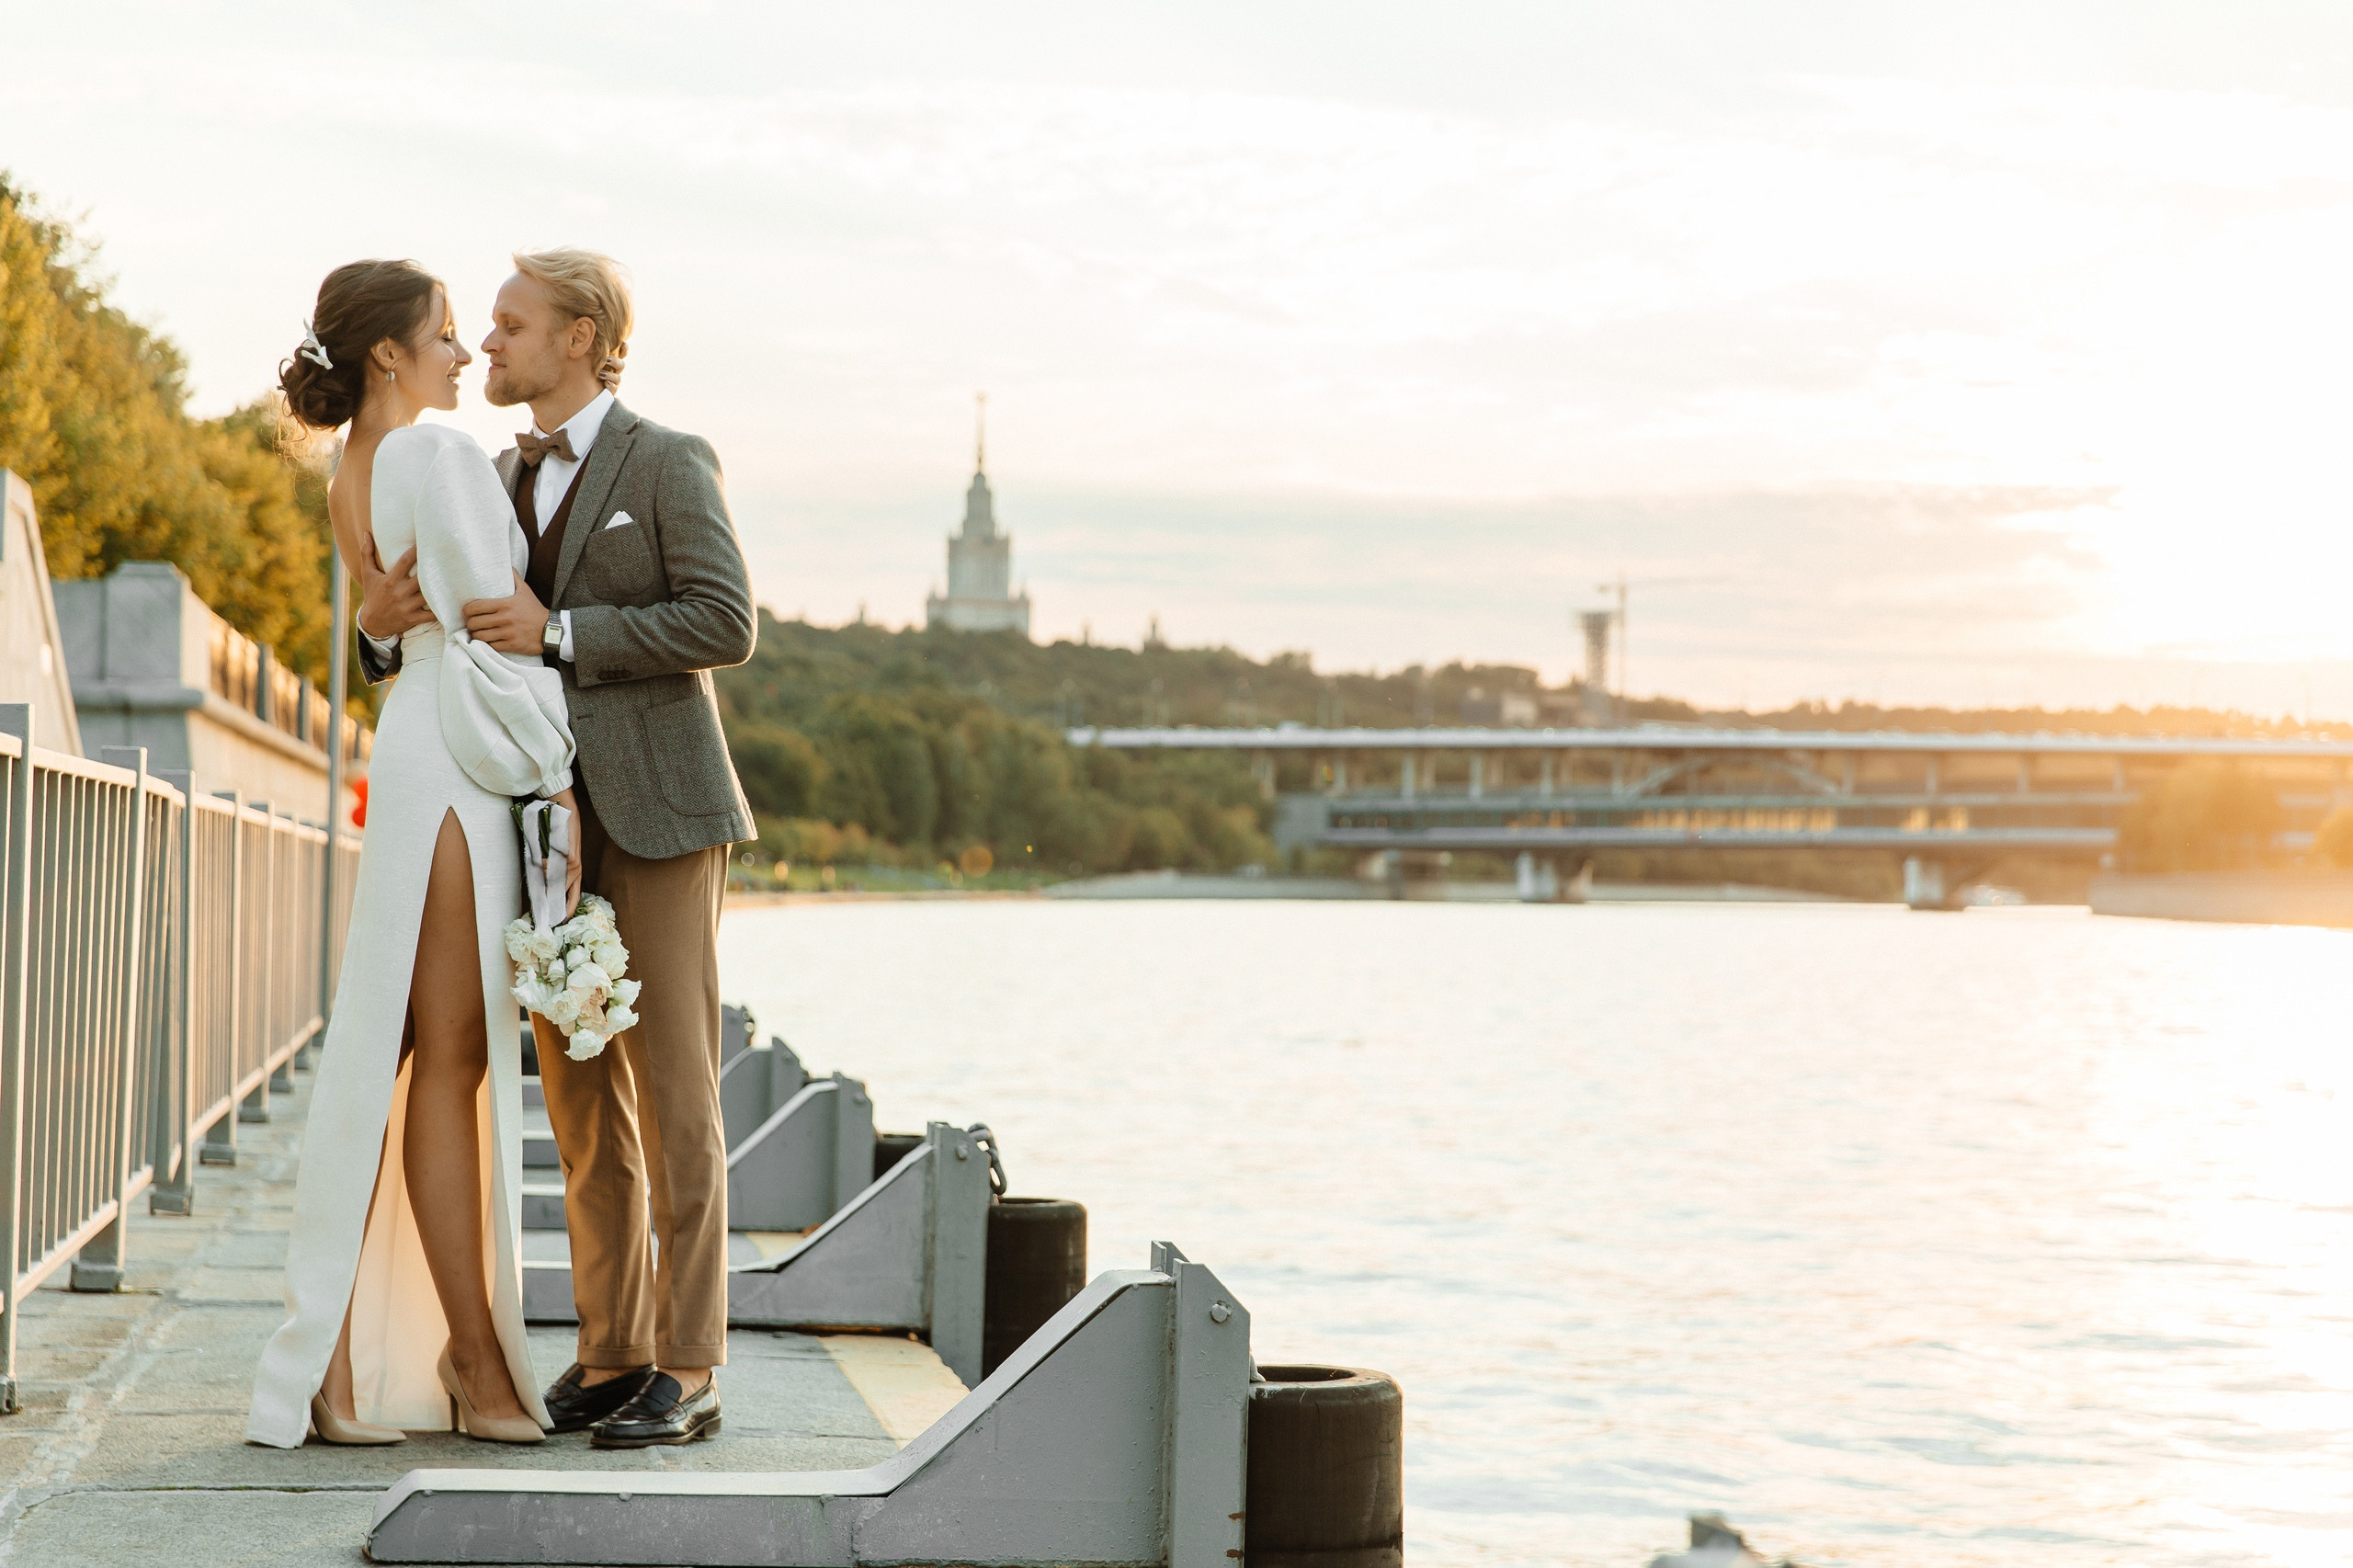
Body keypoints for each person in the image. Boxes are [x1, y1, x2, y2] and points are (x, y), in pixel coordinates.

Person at [353, 248, 756, 1448]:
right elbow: (422, 635)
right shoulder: (486, 472)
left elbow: (726, 619)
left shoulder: (670, 460)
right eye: (485, 326)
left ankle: (692, 1363)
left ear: (581, 336)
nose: (489, 343)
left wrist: (562, 629)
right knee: (582, 1100)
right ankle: (614, 1348)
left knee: (677, 1094)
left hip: (663, 819)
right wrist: (376, 635)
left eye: (512, 325)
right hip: (540, 829)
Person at [246, 259, 578, 1449]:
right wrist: (557, 774)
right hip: (458, 767)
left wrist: (389, 644)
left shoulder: (351, 472)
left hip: (415, 752)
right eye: (444, 333)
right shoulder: (434, 458)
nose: (461, 353)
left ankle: (336, 1357)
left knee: (398, 1048)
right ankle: (471, 1361)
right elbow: (497, 633)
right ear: (389, 353)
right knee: (450, 1058)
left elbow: (394, 620)